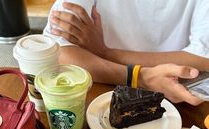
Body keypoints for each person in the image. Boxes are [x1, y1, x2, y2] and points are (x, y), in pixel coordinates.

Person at [43, 0, 209, 105]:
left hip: (178, 96)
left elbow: (202, 60)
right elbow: (57, 52)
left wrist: (105, 52)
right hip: (101, 91)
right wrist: (140, 77)